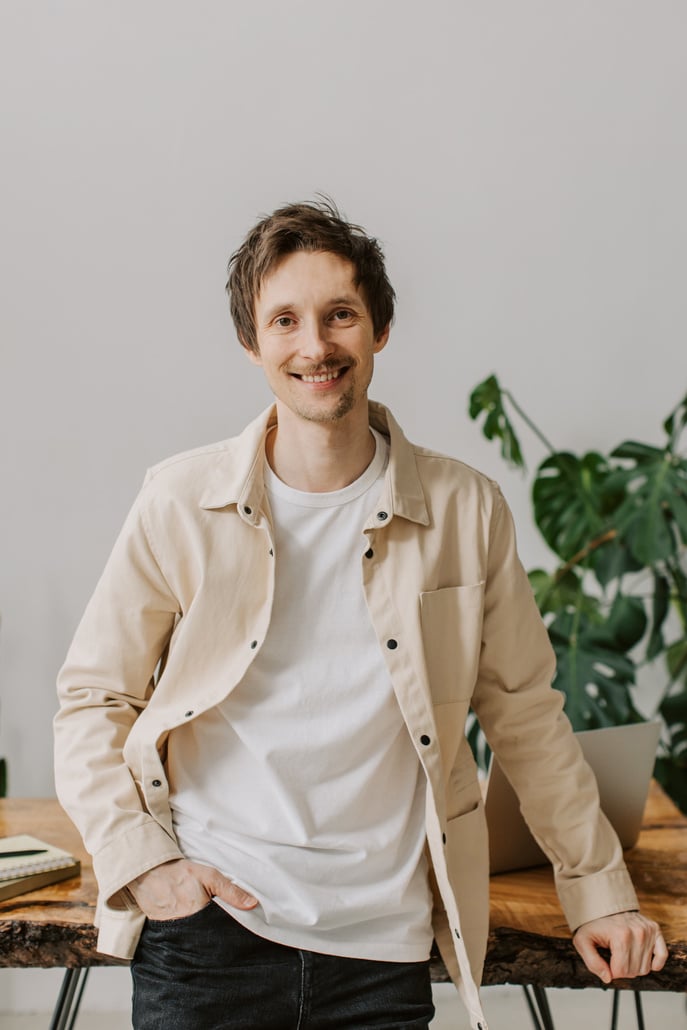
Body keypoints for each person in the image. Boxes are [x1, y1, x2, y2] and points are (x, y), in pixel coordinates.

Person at [54, 199, 667, 1030]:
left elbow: (525, 711)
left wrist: (598, 893)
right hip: (209, 933)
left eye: (340, 314)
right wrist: (148, 866)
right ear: (252, 343)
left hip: (381, 947)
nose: (315, 347)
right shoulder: (177, 501)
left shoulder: (465, 510)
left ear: (378, 328)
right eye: (285, 321)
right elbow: (93, 699)